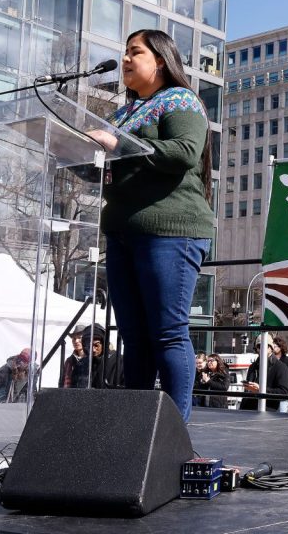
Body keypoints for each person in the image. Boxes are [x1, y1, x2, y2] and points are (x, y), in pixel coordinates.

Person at [88, 29, 215, 422]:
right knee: (134, 338)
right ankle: (136, 435)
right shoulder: (121, 114)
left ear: (160, 59)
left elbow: (184, 152)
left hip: (171, 231)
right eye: (123, 52)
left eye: (134, 52)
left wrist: (115, 145)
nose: (125, 59)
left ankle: (172, 438)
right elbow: (105, 169)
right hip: (123, 232)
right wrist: (75, 153)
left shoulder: (179, 100)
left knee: (167, 334)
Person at [241, 337, 288, 411]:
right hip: (248, 408)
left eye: (265, 346)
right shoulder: (253, 366)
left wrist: (261, 390)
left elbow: (284, 392)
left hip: (268, 410)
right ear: (256, 349)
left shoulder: (281, 367)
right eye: (259, 346)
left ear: (271, 348)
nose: (262, 348)